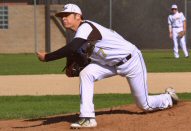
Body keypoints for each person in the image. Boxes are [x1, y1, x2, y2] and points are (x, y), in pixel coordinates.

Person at [37, 3, 179, 129]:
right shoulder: (80, 35)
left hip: (131, 60)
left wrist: (47, 58)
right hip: (110, 64)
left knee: (144, 105)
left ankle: (169, 98)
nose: (63, 18)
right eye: (62, 16)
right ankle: (87, 118)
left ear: (78, 16)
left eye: (67, 15)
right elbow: (80, 53)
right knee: (86, 73)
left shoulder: (85, 27)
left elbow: (72, 48)